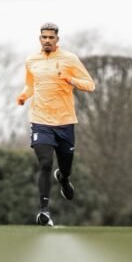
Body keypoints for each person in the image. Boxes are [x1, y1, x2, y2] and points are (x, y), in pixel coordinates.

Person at [16, 22, 95, 226]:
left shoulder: (69, 59)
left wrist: (70, 79)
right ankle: (44, 212)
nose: (47, 40)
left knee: (65, 166)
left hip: (65, 122)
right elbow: (31, 84)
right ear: (39, 39)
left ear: (57, 39)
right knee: (45, 163)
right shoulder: (31, 60)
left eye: (51, 37)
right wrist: (24, 95)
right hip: (40, 120)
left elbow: (90, 85)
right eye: (44, 37)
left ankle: (64, 178)